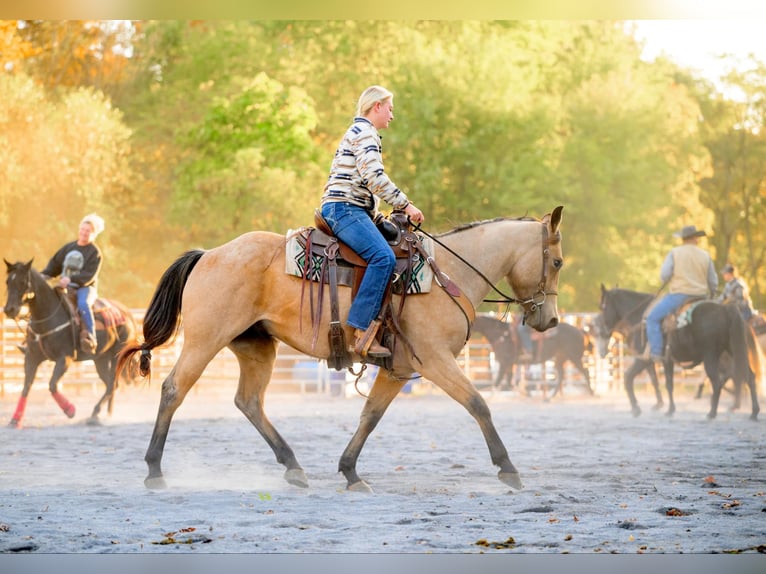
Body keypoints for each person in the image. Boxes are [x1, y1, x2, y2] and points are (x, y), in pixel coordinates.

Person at [320, 85, 424, 359]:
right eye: (389, 109)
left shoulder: (359, 132)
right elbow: (373, 177)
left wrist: (377, 215)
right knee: (383, 257)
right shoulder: (365, 132)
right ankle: (362, 330)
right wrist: (405, 204)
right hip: (345, 209)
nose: (392, 115)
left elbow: (360, 181)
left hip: (351, 208)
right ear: (376, 106)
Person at [645, 224, 717, 362]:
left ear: (683, 239)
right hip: (701, 296)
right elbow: (713, 282)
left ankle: (656, 352)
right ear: (695, 238)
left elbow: (664, 275)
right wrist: (712, 295)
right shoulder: (705, 256)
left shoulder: (675, 253)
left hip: (679, 296)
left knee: (652, 318)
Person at [41, 213, 105, 354]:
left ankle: (90, 337)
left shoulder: (95, 253)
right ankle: (34, 339)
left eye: (88, 231)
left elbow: (90, 274)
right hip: (65, 286)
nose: (84, 233)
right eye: (82, 229)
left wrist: (71, 280)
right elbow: (55, 265)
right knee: (46, 302)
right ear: (79, 230)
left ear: (93, 234)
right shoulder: (68, 247)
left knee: (83, 305)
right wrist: (43, 275)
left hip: (85, 287)